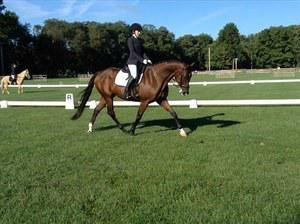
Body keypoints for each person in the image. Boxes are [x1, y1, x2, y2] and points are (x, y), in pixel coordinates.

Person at [123, 23, 152, 99]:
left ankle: (139, 91)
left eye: (139, 31)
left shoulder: (140, 41)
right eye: (138, 31)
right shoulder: (130, 40)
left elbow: (142, 52)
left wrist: (147, 59)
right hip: (132, 62)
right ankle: (126, 92)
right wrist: (142, 60)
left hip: (140, 62)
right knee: (134, 75)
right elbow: (133, 52)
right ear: (133, 31)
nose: (140, 32)